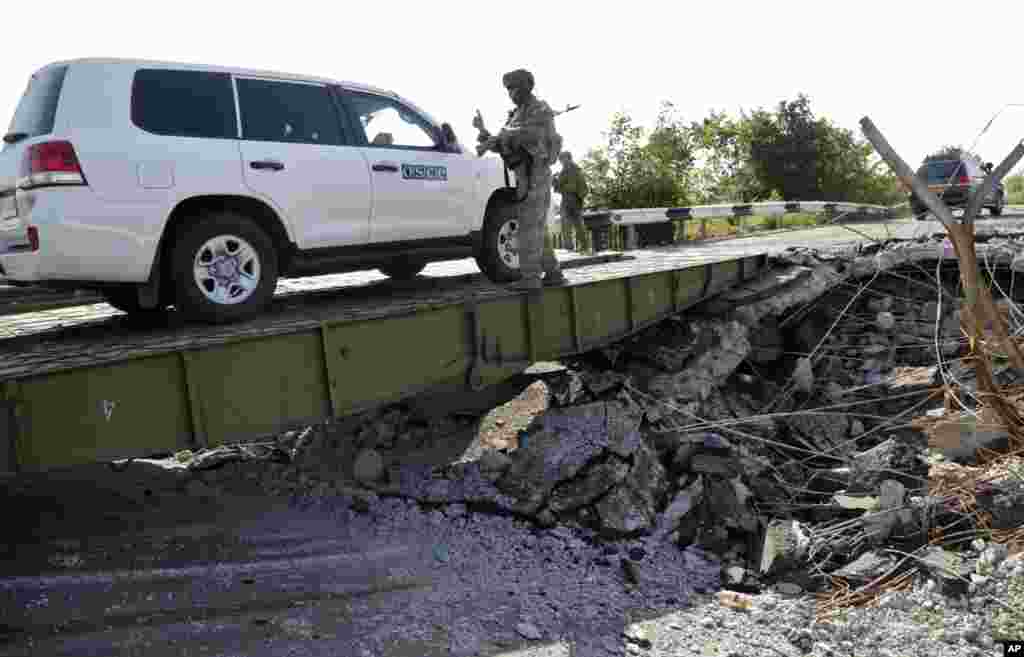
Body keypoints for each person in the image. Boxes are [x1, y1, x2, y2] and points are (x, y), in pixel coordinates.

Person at [473, 69, 567, 290]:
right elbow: (501, 144)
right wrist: (483, 131)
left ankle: (531, 277)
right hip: (524, 174)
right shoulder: (516, 114)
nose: (510, 93)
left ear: (526, 87)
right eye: (508, 89)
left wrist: (507, 135)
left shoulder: (540, 109)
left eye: (514, 88)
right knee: (536, 225)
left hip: (536, 171)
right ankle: (553, 272)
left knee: (527, 226)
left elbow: (533, 135)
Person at [552, 151, 588, 252]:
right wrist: (555, 181)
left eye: (562, 159)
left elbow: (565, 187)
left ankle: (576, 247)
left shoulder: (572, 170)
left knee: (573, 224)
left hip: (572, 199)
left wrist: (555, 182)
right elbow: (559, 187)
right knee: (571, 225)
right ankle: (576, 246)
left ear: (568, 158)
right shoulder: (569, 170)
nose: (561, 162)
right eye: (560, 160)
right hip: (569, 199)